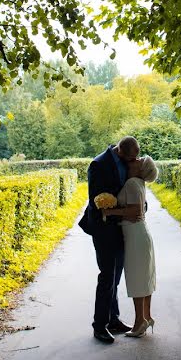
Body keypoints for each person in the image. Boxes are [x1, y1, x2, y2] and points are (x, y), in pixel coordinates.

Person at [78, 136, 140, 344]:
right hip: (103, 227)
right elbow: (96, 199)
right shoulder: (98, 164)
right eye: (130, 158)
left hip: (120, 227)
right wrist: (123, 212)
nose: (132, 162)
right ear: (120, 151)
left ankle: (114, 319)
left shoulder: (124, 160)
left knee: (116, 275)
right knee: (107, 276)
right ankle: (99, 326)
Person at [102, 155, 158, 338]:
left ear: (140, 169)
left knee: (136, 279)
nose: (136, 159)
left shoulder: (133, 182)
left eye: (139, 160)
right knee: (145, 278)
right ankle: (146, 317)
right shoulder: (139, 183)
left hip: (135, 236)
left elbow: (135, 211)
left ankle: (139, 322)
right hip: (140, 234)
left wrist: (108, 211)